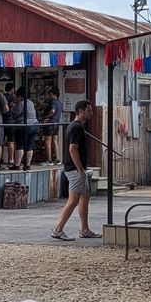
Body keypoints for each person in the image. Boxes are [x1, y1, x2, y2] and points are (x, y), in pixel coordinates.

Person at [52, 100, 100, 241]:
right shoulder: (76, 127)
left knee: (85, 197)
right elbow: (72, 149)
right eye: (89, 110)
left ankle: (84, 229)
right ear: (80, 111)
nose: (91, 113)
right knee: (73, 200)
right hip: (75, 169)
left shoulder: (76, 126)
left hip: (78, 169)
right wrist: (79, 168)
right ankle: (58, 229)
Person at [10, 86, 40, 171]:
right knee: (30, 146)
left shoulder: (21, 103)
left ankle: (17, 165)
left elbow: (14, 113)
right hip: (34, 125)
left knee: (20, 146)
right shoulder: (31, 102)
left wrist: (12, 107)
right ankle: (27, 165)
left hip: (23, 126)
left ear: (19, 96)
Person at [41, 88, 63, 165]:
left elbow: (52, 111)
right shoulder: (60, 103)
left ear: (54, 94)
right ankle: (57, 159)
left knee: (47, 141)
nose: (49, 95)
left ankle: (49, 160)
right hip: (56, 124)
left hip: (50, 123)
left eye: (50, 94)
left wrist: (46, 117)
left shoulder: (52, 101)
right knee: (55, 141)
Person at [2, 83, 17, 166]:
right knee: (11, 142)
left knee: (0, 142)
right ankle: (11, 160)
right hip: (11, 122)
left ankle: (0, 160)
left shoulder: (2, 97)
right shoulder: (14, 98)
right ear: (12, 89)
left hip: (2, 122)